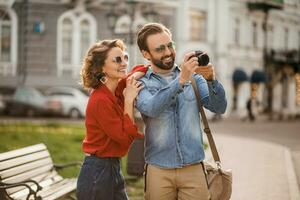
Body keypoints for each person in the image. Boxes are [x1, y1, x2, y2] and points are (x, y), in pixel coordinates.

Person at [135, 23, 227, 200]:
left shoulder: (194, 77)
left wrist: (211, 80)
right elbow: (152, 108)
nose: (168, 52)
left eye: (170, 45)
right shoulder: (141, 83)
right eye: (160, 49)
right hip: (158, 170)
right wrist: (181, 80)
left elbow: (219, 108)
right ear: (146, 54)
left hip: (193, 168)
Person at [76, 39, 147, 200]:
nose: (124, 63)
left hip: (112, 167)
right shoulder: (100, 100)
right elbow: (124, 139)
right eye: (117, 60)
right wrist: (129, 100)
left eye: (125, 57)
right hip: (97, 171)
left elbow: (141, 69)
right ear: (101, 67)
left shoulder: (116, 90)